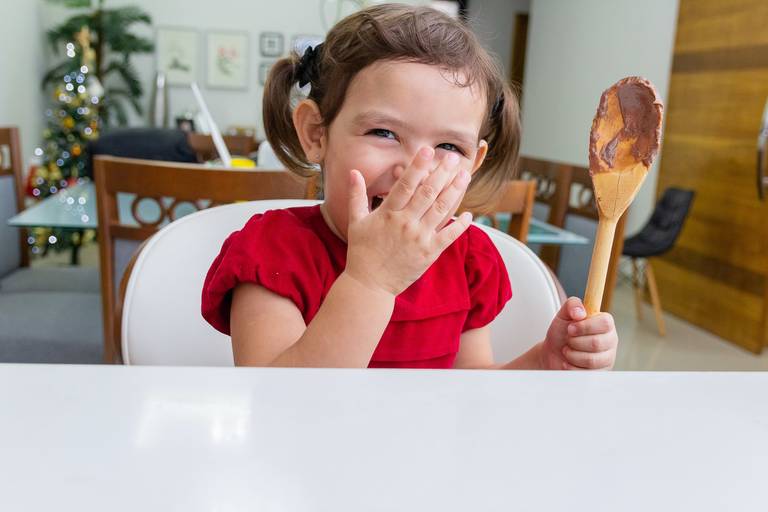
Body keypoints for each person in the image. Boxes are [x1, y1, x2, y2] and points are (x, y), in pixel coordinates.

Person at [202, 4, 618, 370]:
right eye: (383, 132)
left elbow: (465, 393)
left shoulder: (469, 261)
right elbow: (278, 402)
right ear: (316, 133)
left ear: (473, 163)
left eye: (448, 145)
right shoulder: (270, 252)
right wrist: (371, 282)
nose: (414, 169)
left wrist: (542, 363)